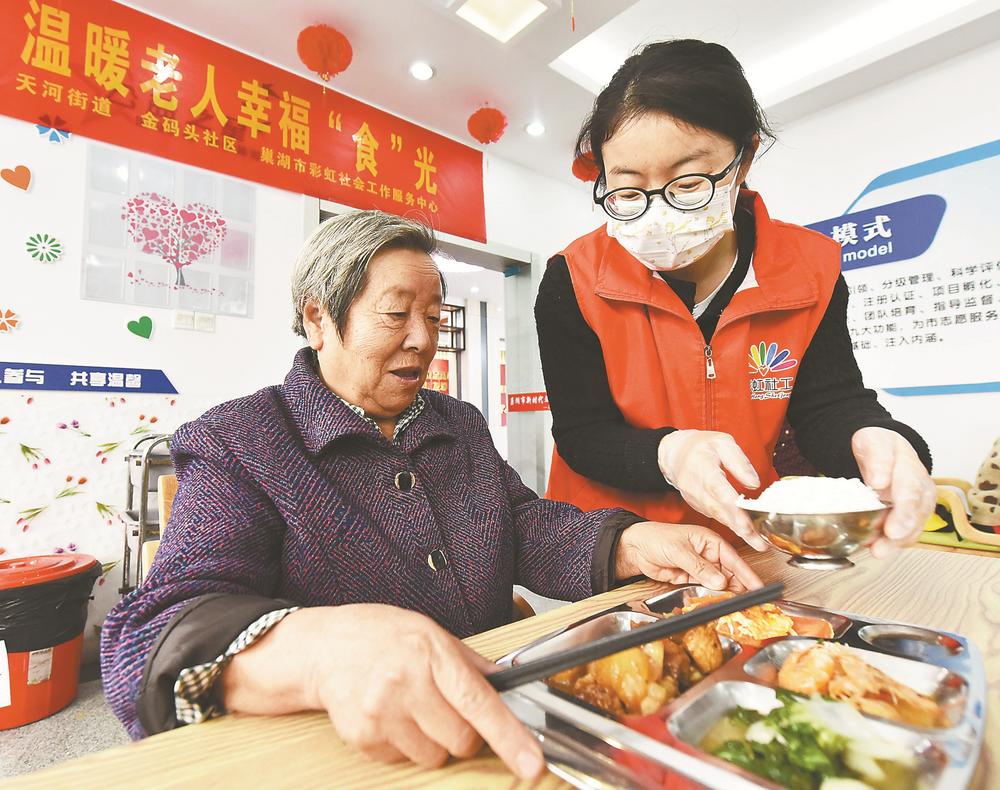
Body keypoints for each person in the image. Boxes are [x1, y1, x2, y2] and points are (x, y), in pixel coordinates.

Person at [100, 210, 761, 781]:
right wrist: (323, 653)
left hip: (498, 726)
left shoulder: (458, 424)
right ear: (318, 318)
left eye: (434, 316)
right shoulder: (240, 441)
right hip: (356, 762)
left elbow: (520, 525)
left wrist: (630, 542)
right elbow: (149, 636)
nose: (422, 338)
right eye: (396, 314)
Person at [536, 39, 936, 558]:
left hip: (747, 543)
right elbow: (582, 432)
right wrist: (669, 453)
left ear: (743, 158)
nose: (659, 213)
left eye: (687, 183)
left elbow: (829, 404)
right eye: (629, 191)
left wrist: (874, 438)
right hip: (619, 547)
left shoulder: (810, 270)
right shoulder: (572, 279)